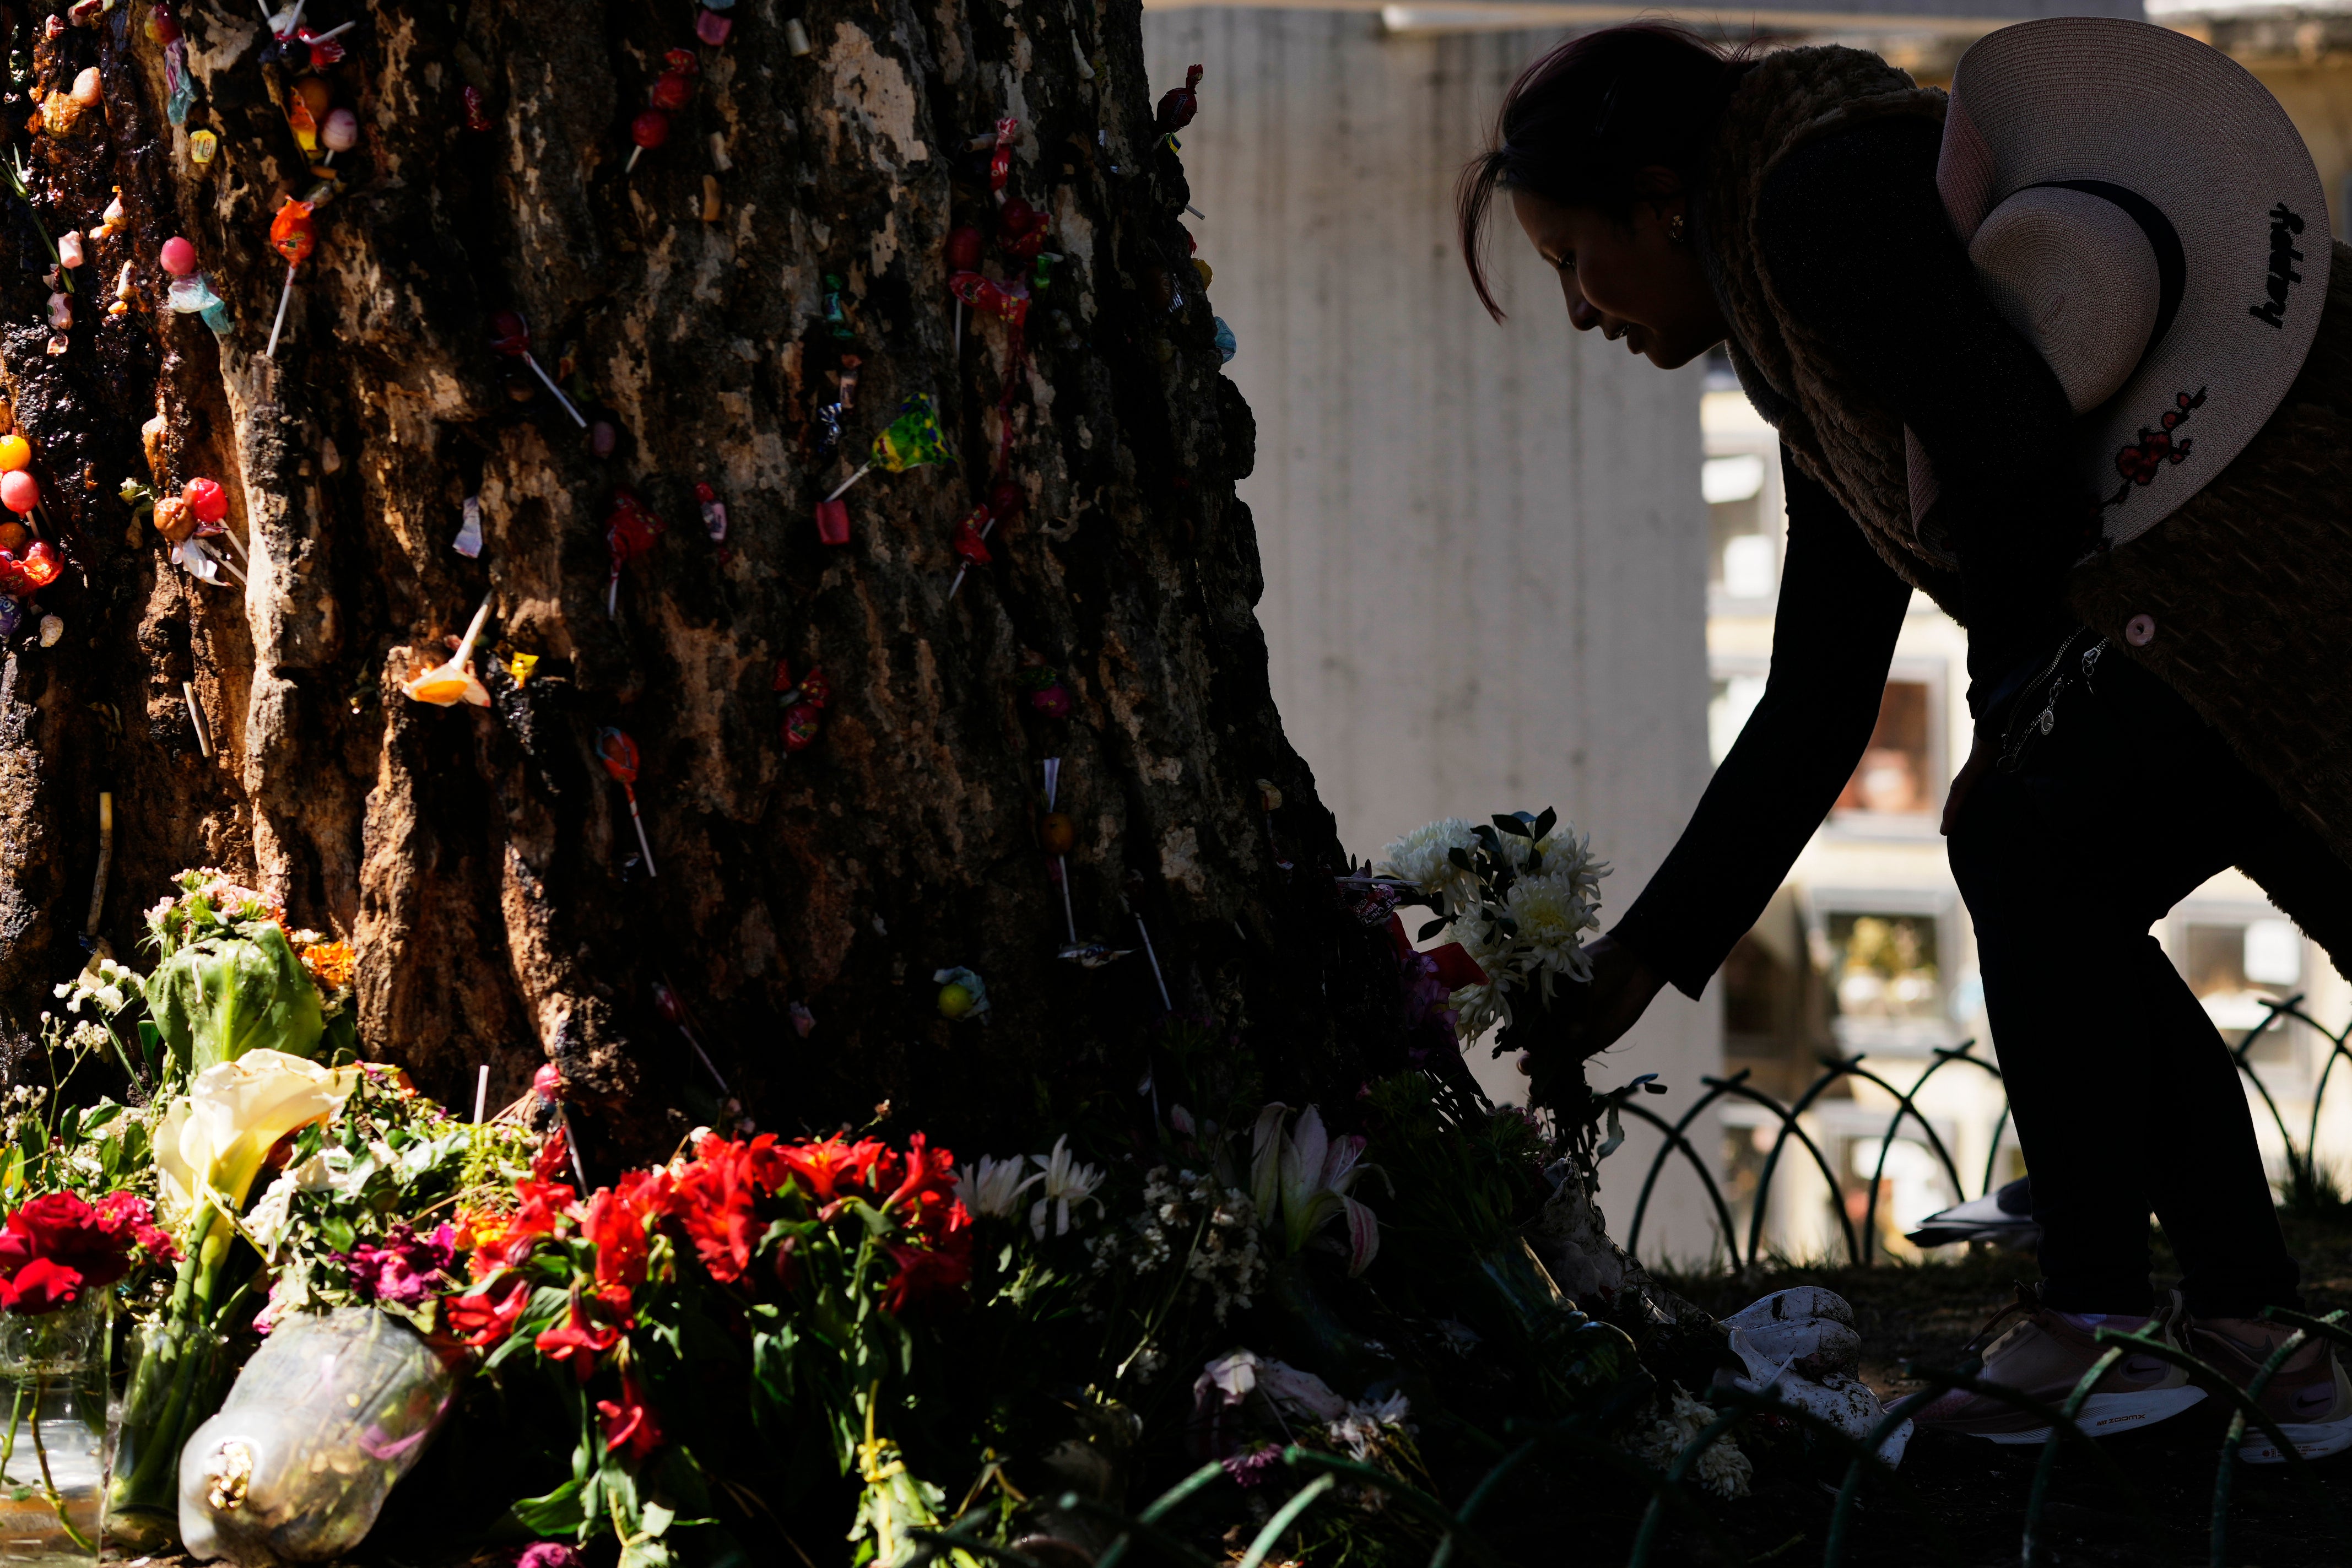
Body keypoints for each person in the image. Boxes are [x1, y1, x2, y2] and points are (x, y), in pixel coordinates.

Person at [1458, 18, 2352, 1458]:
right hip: (2213, 593)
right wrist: (1644, 961)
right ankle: (2251, 1341)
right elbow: (1821, 691)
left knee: (2029, 834)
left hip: (2271, 563)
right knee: (2040, 842)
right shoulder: (1793, 294)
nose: (1582, 308)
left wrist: (2028, 728)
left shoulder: (1820, 208)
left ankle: (2105, 1324)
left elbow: (2008, 473)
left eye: (1575, 259)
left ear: (1658, 201)